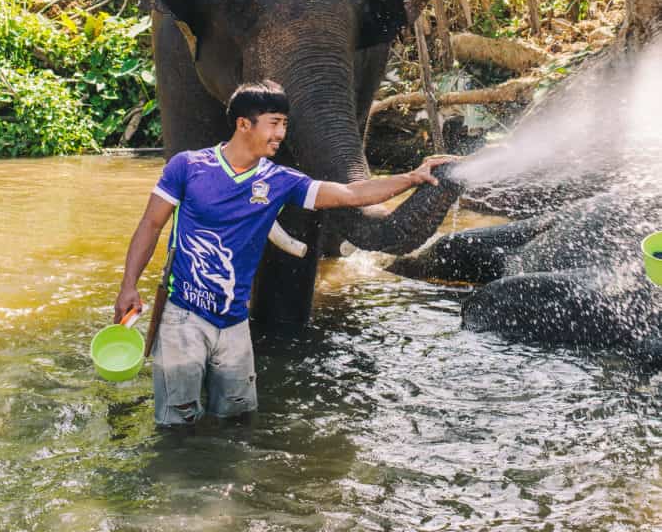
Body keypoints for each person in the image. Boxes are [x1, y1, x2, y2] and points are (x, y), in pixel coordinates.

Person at [114, 80, 452, 427]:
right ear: (244, 124)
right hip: (183, 317)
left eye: (285, 124)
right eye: (274, 123)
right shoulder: (188, 167)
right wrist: (129, 285)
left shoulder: (280, 180)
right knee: (176, 425)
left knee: (238, 422)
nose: (281, 133)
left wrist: (412, 178)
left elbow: (350, 193)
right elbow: (151, 225)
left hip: (233, 322)